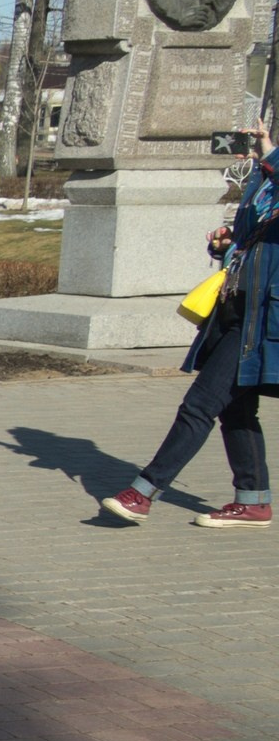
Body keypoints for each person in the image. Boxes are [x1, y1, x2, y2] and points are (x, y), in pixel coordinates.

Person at [101, 124, 277, 529]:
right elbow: (255, 238)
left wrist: (269, 156)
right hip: (239, 308)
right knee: (236, 407)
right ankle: (253, 502)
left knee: (200, 404)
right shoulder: (265, 181)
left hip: (264, 318)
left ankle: (142, 493)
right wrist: (229, 242)